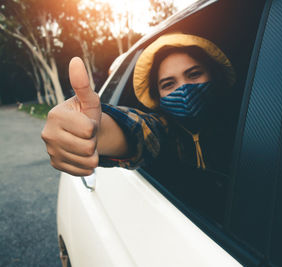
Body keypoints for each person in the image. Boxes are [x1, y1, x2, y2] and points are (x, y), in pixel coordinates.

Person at [41, 33, 238, 220]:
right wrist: (95, 131)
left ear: (214, 75)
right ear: (158, 97)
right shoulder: (166, 130)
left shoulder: (244, 119)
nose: (184, 89)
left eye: (194, 74)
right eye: (169, 84)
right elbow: (141, 129)